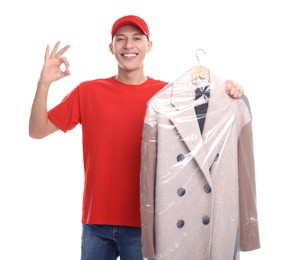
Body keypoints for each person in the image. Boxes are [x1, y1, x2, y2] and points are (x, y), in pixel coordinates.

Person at [29, 15, 245, 260]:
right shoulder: (88, 92)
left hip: (148, 224)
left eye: (136, 38)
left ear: (148, 46)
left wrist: (228, 91)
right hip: (96, 223)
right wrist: (44, 83)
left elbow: (208, 116)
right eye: (120, 39)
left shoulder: (168, 95)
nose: (128, 45)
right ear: (111, 48)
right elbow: (37, 130)